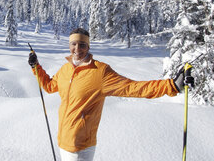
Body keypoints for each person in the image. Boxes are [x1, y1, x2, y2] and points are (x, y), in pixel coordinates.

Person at [28, 28, 193, 161]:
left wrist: (171, 85)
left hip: (81, 146)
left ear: (88, 46)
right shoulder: (65, 69)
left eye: (82, 45)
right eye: (73, 44)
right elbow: (50, 86)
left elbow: (133, 87)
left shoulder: (100, 72)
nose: (77, 49)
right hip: (63, 141)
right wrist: (36, 67)